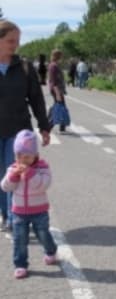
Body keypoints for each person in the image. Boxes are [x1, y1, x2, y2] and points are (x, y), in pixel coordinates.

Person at [0, 20, 50, 234]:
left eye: (17, 41)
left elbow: (36, 98)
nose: (15, 45)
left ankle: (14, 218)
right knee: (3, 177)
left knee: (18, 174)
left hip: (19, 132)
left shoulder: (24, 67)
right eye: (10, 41)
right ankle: (5, 214)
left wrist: (44, 126)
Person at [1, 130, 57, 279]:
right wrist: (13, 176)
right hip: (18, 212)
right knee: (20, 239)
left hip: (39, 211)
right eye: (19, 156)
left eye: (27, 156)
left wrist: (30, 174)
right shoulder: (13, 168)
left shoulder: (42, 168)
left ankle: (50, 250)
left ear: (35, 155)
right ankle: (20, 265)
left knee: (43, 234)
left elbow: (43, 185)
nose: (23, 160)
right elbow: (5, 187)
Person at [48, 49, 68, 133]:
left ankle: (62, 126)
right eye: (61, 56)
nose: (62, 58)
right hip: (56, 90)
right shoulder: (53, 66)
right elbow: (54, 81)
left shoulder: (55, 65)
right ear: (58, 56)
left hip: (58, 89)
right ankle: (48, 126)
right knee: (60, 108)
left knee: (58, 106)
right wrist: (57, 93)